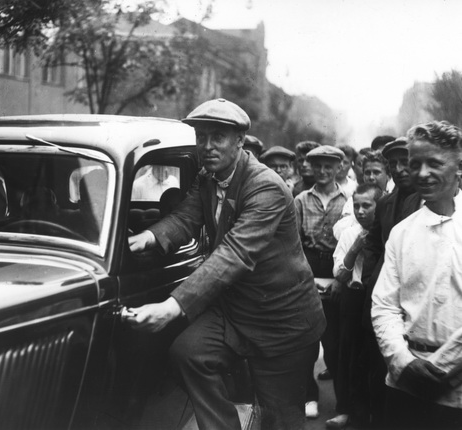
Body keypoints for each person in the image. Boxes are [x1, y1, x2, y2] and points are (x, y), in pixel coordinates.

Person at [127, 98, 325, 430]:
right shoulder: (208, 177)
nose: (206, 146)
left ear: (240, 142)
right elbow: (186, 217)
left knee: (280, 419)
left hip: (283, 322)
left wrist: (172, 306)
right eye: (201, 137)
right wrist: (146, 237)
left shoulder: (266, 187)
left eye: (217, 137)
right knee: (188, 354)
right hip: (236, 311)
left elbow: (234, 254)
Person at [372, 120, 462, 429]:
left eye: (434, 163)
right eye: (415, 164)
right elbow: (384, 306)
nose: (422, 173)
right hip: (406, 385)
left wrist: (444, 368)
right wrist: (403, 361)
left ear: (458, 164)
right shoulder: (401, 232)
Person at [360, 136, 422, 428]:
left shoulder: (428, 202)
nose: (399, 169)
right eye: (393, 163)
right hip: (382, 295)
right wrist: (373, 275)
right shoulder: (385, 203)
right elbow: (372, 242)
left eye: (404, 161)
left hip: (416, 299)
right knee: (376, 361)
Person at [294, 145, 347, 419]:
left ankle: (344, 404)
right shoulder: (301, 200)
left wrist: (341, 278)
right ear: (311, 168)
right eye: (318, 166)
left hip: (338, 270)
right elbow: (292, 242)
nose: (323, 172)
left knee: (336, 344)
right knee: (307, 343)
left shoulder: (348, 199)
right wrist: (306, 277)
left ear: (339, 168)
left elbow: (353, 241)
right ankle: (309, 396)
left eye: (329, 166)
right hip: (308, 268)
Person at [327, 183, 383, 429]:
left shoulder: (387, 233)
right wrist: (355, 248)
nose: (360, 211)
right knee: (348, 352)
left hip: (377, 299)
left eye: (366, 205)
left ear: (378, 207)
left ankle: (373, 411)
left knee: (373, 356)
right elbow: (339, 274)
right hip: (353, 296)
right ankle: (346, 409)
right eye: (356, 205)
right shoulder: (350, 233)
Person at [333, 150, 390, 241]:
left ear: (388, 175)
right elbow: (339, 231)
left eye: (376, 172)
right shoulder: (353, 200)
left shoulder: (393, 199)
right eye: (367, 173)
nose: (371, 177)